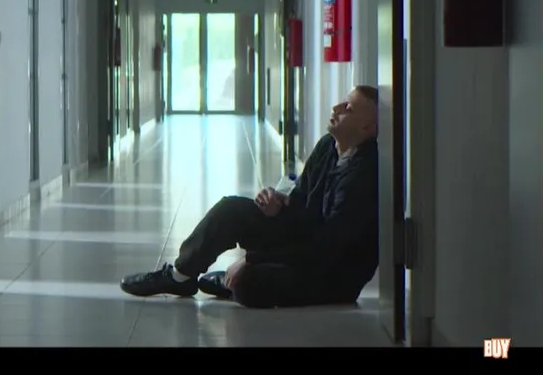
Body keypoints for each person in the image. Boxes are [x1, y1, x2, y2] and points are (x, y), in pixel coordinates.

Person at [120, 85, 380, 308]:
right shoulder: (328, 145)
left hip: (330, 272)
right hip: (305, 241)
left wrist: (251, 260)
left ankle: (237, 280)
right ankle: (180, 277)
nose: (336, 108)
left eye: (348, 108)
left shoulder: (365, 174)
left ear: (367, 127)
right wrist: (279, 203)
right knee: (231, 209)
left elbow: (327, 246)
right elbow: (301, 198)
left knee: (248, 284)